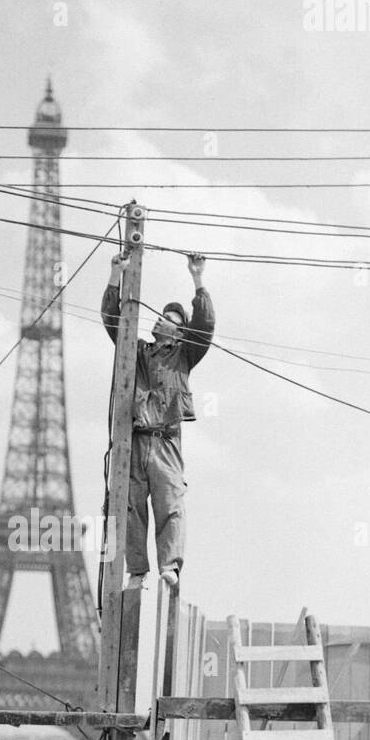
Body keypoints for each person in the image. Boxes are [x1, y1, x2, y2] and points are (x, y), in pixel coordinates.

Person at [102, 251, 216, 589]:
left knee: (170, 503)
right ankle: (137, 570)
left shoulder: (184, 355)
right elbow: (113, 319)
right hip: (134, 438)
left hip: (165, 440)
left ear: (179, 331)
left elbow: (206, 324)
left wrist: (197, 278)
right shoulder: (136, 352)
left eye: (168, 318)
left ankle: (170, 565)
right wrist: (115, 275)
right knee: (130, 505)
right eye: (160, 317)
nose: (159, 320)